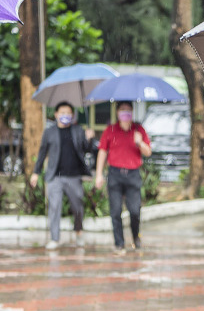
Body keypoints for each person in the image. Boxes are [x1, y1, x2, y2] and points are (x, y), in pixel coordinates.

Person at [30, 101, 96, 251]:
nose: (65, 115)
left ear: (72, 115)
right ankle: (55, 238)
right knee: (54, 207)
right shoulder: (49, 132)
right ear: (56, 114)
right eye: (62, 113)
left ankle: (78, 232)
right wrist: (36, 172)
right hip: (55, 177)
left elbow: (87, 149)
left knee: (78, 206)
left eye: (68, 113)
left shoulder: (78, 130)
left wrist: (90, 138)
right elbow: (42, 153)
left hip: (74, 176)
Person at [95, 101, 152, 255]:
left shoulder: (138, 130)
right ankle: (119, 243)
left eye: (128, 110)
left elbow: (148, 152)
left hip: (133, 174)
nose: (125, 113)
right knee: (115, 211)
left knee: (135, 211)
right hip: (114, 174)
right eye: (122, 110)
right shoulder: (110, 130)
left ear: (132, 112)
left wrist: (139, 142)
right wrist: (99, 174)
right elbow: (102, 152)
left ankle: (136, 237)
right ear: (117, 112)